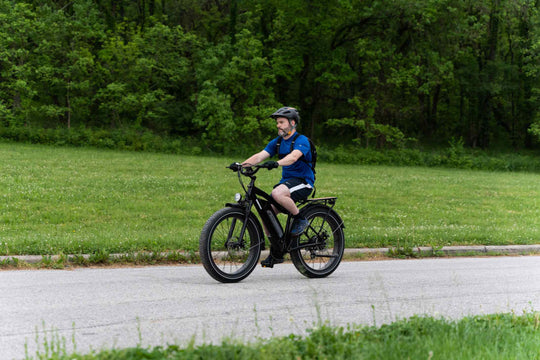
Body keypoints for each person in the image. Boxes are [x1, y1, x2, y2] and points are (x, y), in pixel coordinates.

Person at [241, 107, 314, 268]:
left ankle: (300, 219)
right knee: (267, 212)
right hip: (287, 183)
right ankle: (277, 251)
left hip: (303, 182)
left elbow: (294, 157)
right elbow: (260, 156)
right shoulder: (278, 142)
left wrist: (277, 163)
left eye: (281, 122)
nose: (278, 125)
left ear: (292, 123)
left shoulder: (301, 140)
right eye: (277, 123)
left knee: (277, 192)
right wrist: (241, 165)